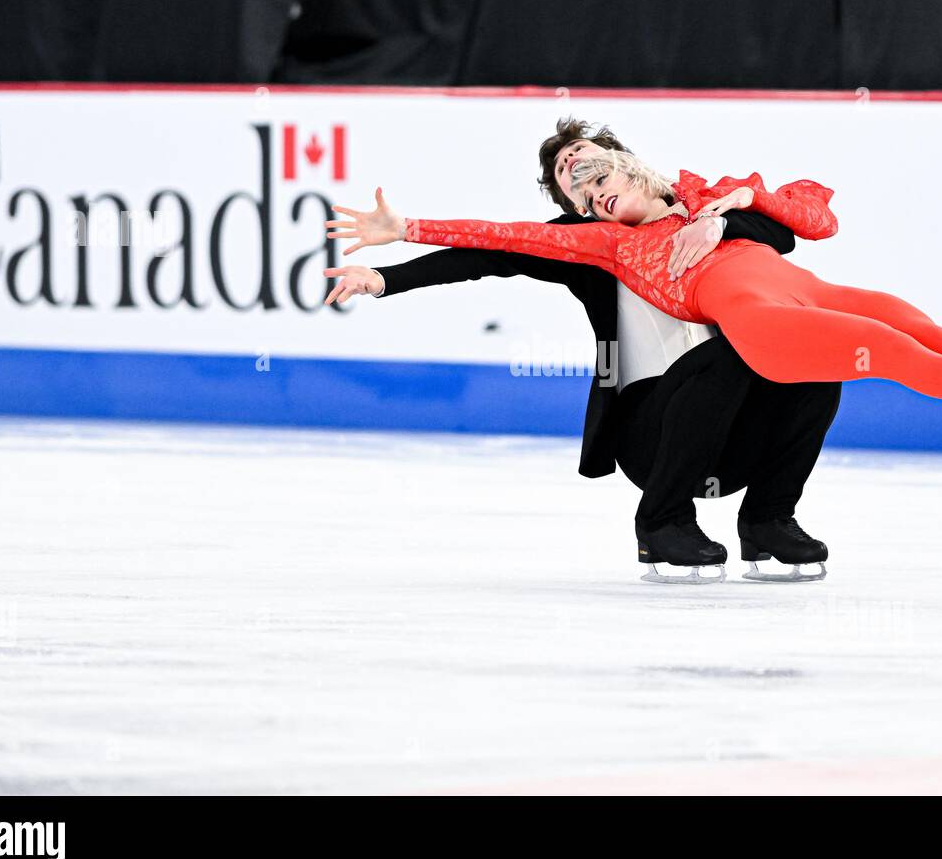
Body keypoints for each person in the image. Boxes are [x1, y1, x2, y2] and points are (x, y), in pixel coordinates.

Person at [328, 148, 942, 484]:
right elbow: (499, 240)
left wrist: (742, 200)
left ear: (630, 162)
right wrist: (404, 237)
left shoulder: (715, 195)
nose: (589, 187)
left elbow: (818, 214)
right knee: (893, 351)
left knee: (921, 327)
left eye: (594, 170)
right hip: (763, 326)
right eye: (578, 192)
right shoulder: (609, 245)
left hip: (806, 291)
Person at [322, 120, 840, 583]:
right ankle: (662, 522)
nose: (579, 173)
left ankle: (768, 519)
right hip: (651, 435)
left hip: (733, 432)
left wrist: (720, 223)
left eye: (586, 160)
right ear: (576, 209)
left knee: (816, 358)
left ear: (623, 164)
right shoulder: (584, 243)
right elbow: (486, 252)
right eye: (573, 183)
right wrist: (386, 278)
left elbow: (783, 234)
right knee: (727, 359)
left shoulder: (705, 207)